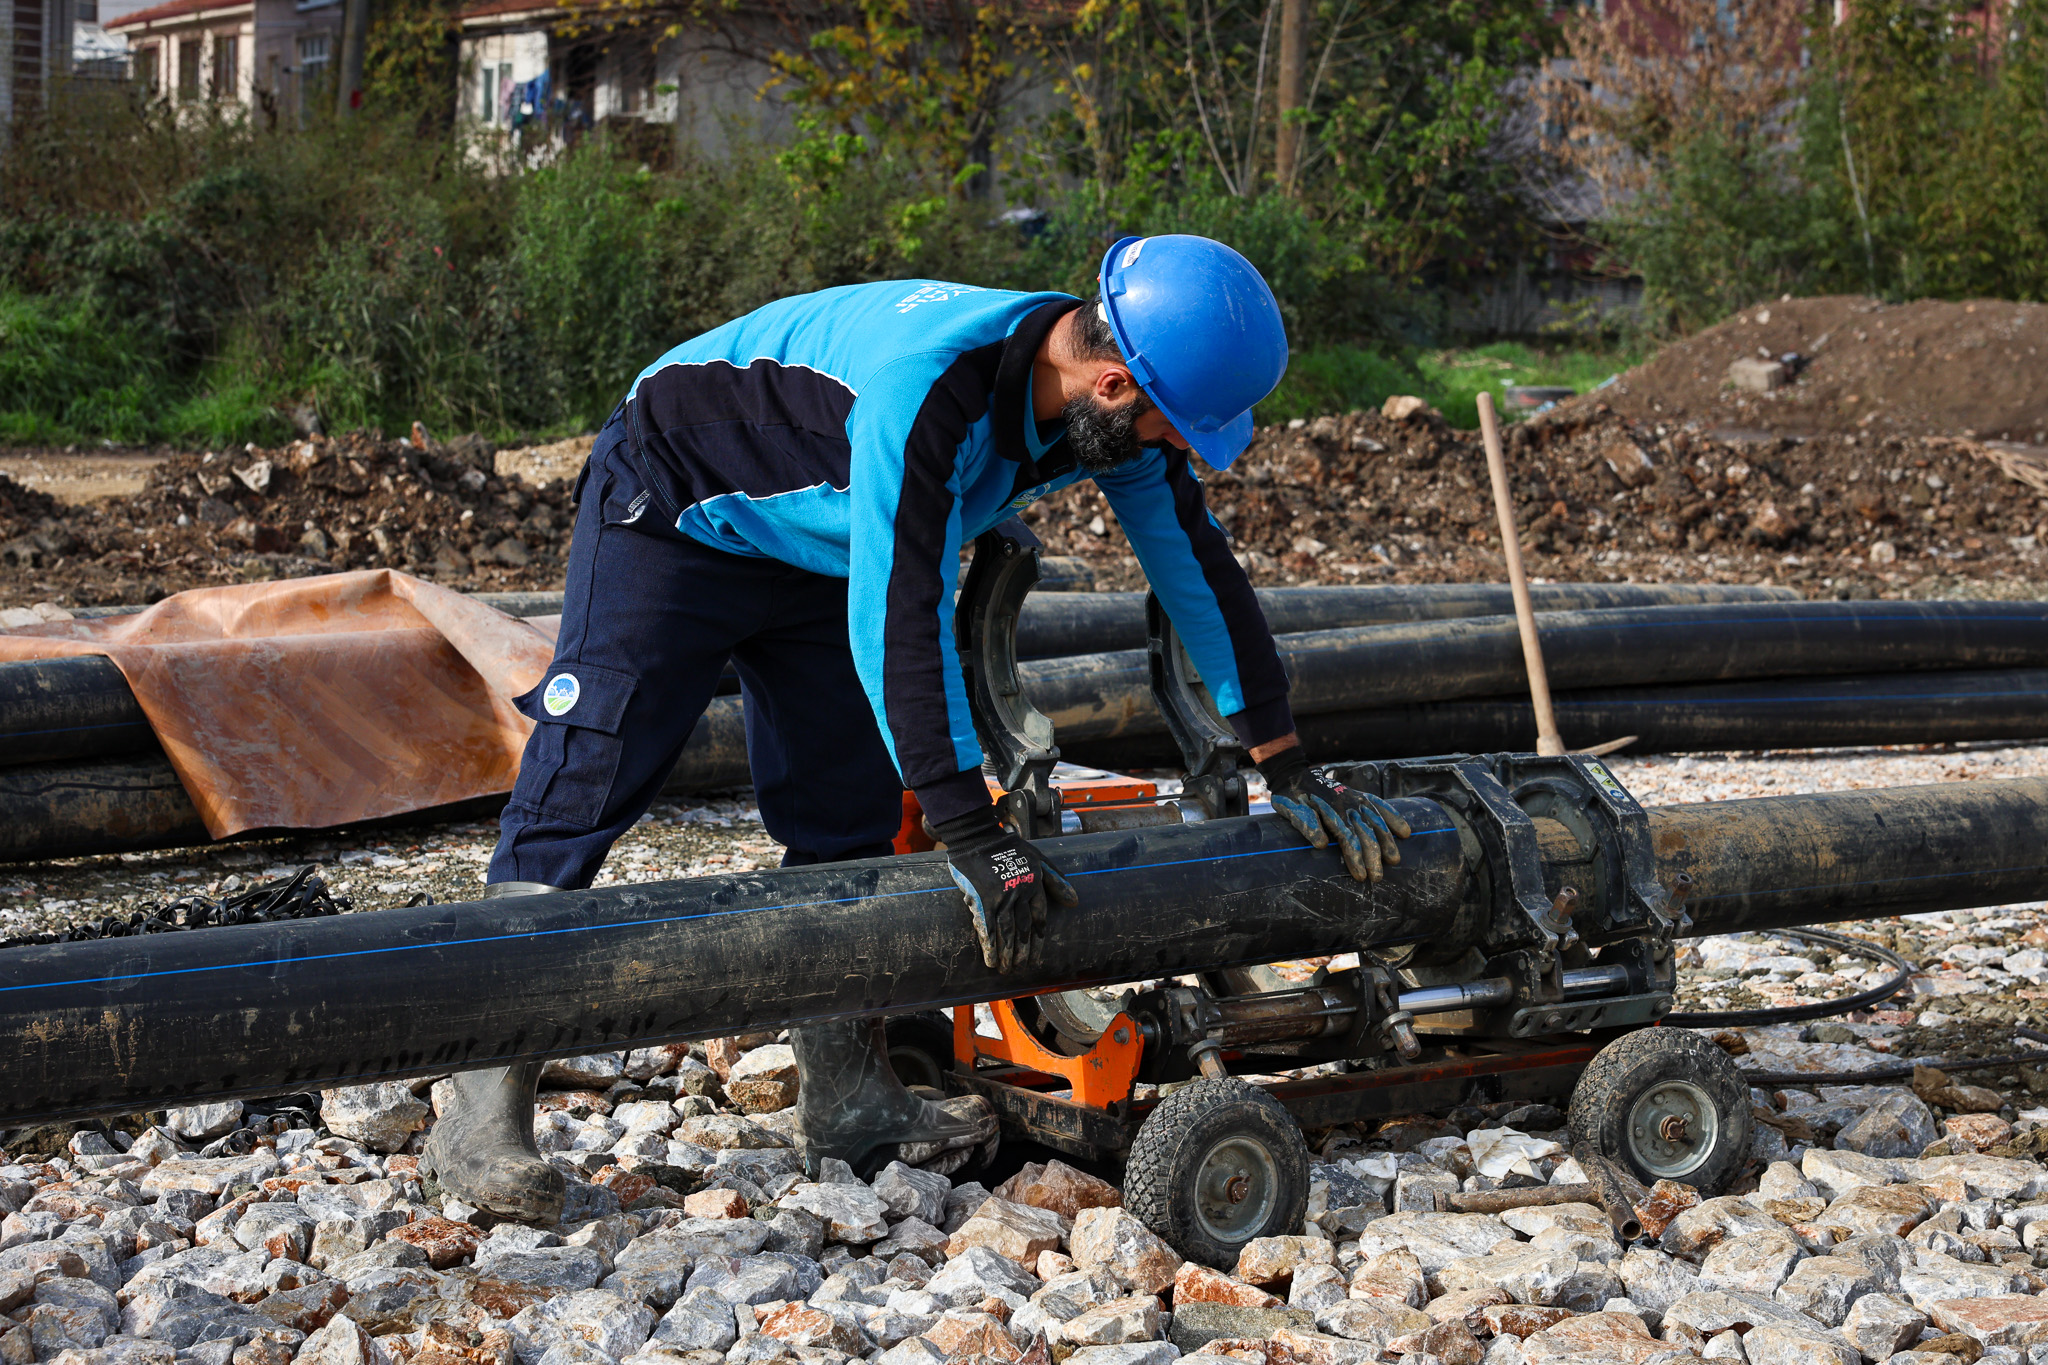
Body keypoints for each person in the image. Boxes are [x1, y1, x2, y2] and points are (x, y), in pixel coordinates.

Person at [420, 234, 1414, 1223]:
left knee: (842, 805)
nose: (1172, 448)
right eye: (1170, 427)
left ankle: (848, 1098)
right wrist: (970, 830)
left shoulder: (1098, 402)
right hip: (678, 502)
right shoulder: (931, 392)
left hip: (823, 536)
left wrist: (1282, 761)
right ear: (1111, 383)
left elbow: (1196, 572)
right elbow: (902, 613)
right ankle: (479, 1111)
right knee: (589, 773)